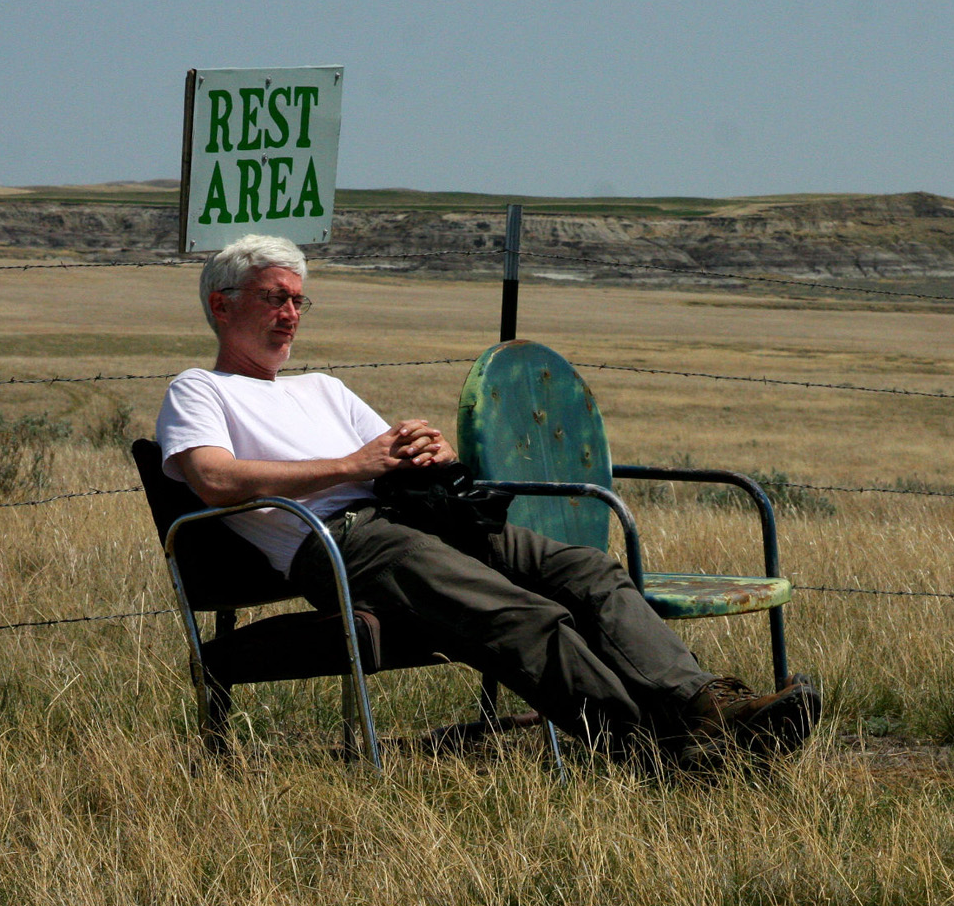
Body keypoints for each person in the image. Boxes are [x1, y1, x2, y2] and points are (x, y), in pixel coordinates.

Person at [155, 233, 818, 768]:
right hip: (339, 539)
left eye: (300, 301)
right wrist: (351, 465)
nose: (290, 315)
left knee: (588, 574)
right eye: (275, 299)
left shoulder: (321, 388)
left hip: (417, 519)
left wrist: (426, 452)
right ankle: (655, 749)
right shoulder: (199, 391)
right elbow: (213, 479)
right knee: (522, 614)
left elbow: (389, 456)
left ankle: (705, 708)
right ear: (222, 304)